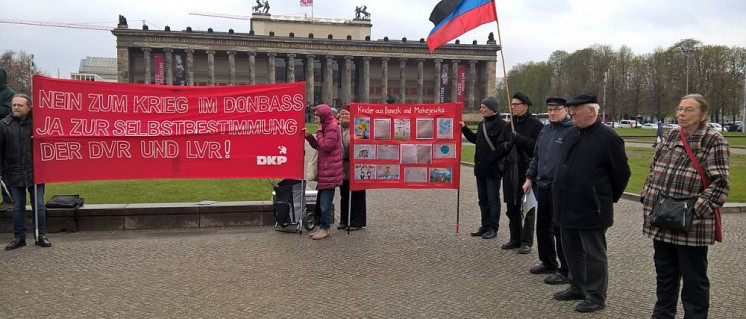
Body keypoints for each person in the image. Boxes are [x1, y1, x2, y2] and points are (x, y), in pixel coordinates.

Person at [641, 94, 729, 319]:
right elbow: (654, 168)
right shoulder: (671, 135)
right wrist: (647, 195)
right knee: (665, 275)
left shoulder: (713, 140)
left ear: (703, 115)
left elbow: (720, 185)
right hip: (661, 219)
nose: (681, 113)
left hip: (691, 225)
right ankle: (662, 315)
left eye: (688, 109)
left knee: (694, 281)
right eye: (680, 108)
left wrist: (693, 211)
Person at [551, 93, 630, 312]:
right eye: (571, 109)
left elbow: (622, 174)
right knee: (571, 250)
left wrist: (602, 198)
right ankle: (578, 286)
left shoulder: (609, 138)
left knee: (594, 254)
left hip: (591, 208)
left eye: (576, 109)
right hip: (567, 205)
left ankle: (596, 296)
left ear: (592, 111)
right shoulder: (572, 133)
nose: (572, 113)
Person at [523, 97, 574, 284]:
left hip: (559, 187)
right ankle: (548, 261)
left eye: (556, 109)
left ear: (566, 110)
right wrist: (529, 177)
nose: (552, 113)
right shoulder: (545, 130)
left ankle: (566, 268)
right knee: (543, 227)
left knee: (560, 230)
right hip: (541, 184)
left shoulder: (572, 131)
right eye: (550, 109)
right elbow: (536, 157)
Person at [3, 94, 53, 250]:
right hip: (13, 172)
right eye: (14, 105)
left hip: (36, 172)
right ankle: (19, 237)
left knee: (38, 205)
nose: (16, 108)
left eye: (19, 105)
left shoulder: (38, 124)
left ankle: (41, 235)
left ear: (29, 107)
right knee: (18, 206)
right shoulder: (4, 125)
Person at [496, 92, 544, 254]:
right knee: (512, 206)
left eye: (516, 104)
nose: (513, 107)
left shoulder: (536, 125)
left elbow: (538, 148)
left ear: (525, 105)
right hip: (510, 171)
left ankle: (526, 241)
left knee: (527, 207)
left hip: (527, 171)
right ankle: (515, 237)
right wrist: (509, 143)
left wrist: (520, 139)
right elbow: (499, 148)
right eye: (512, 105)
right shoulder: (508, 125)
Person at [460, 96, 506, 239]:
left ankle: (493, 227)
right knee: (482, 199)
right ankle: (485, 225)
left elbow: (503, 148)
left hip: (492, 170)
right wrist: (464, 128)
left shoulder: (502, 125)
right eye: (481, 107)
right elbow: (475, 140)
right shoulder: (482, 124)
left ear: (492, 109)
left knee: (493, 199)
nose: (481, 109)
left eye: (484, 107)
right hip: (480, 168)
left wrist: (491, 159)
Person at [305, 104, 343, 240]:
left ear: (324, 115)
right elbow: (318, 147)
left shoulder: (331, 128)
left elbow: (326, 147)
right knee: (321, 202)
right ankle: (322, 227)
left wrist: (319, 132)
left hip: (330, 172)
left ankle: (325, 229)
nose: (314, 116)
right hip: (325, 171)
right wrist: (309, 137)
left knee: (325, 203)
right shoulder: (325, 127)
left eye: (317, 114)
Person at [338, 105, 366, 230]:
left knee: (357, 195)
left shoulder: (358, 128)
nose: (344, 116)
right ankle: (344, 220)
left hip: (356, 166)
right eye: (342, 114)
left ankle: (356, 221)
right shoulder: (337, 129)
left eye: (346, 114)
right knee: (344, 195)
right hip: (341, 167)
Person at [0, 68, 15, 211]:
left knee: (4, 169)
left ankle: (8, 198)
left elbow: (8, 111)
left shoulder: (9, 94)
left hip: (4, 137)